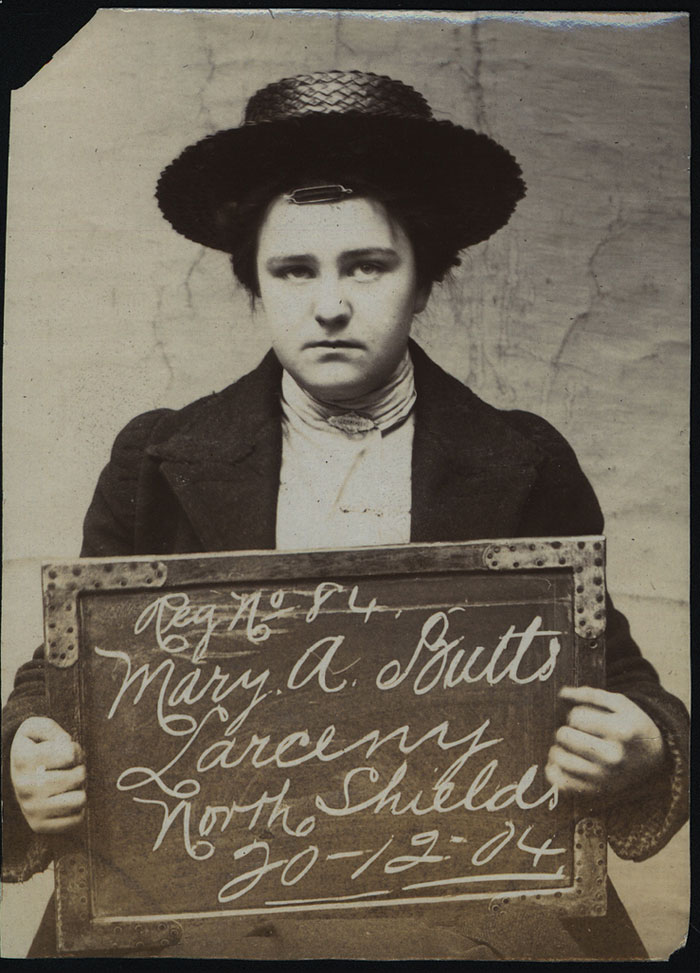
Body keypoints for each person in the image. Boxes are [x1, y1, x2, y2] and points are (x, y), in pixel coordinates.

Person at [2, 70, 689, 960]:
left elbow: (618, 676)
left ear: (423, 278)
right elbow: (63, 675)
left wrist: (646, 745)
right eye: (293, 270)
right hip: (200, 894)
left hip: (466, 889)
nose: (329, 305)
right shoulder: (157, 459)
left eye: (368, 265)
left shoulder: (523, 459)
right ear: (255, 283)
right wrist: (26, 752)